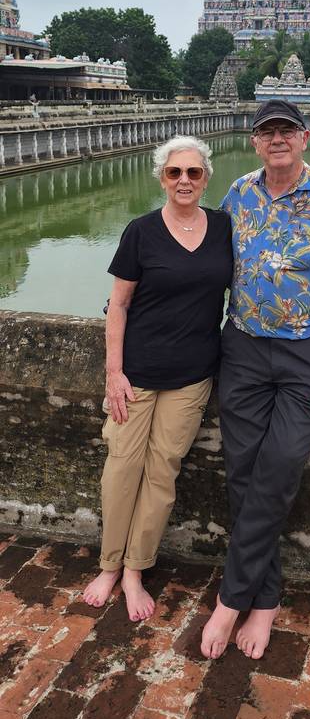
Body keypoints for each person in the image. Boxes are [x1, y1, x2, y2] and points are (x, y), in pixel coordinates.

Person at [201, 99, 310, 659]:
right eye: (267, 131)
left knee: (279, 465)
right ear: (254, 141)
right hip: (243, 346)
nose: (277, 140)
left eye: (286, 131)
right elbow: (208, 266)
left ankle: (231, 598)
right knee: (242, 473)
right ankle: (265, 600)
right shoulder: (239, 194)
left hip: (307, 352)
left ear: (305, 137)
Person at [83, 136, 232, 621]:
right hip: (138, 373)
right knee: (122, 466)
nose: (184, 181)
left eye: (193, 172)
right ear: (161, 179)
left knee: (162, 471)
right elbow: (119, 305)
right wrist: (113, 373)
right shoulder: (141, 231)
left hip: (192, 377)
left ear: (206, 176)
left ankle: (135, 569)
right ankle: (108, 564)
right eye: (174, 173)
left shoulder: (224, 228)